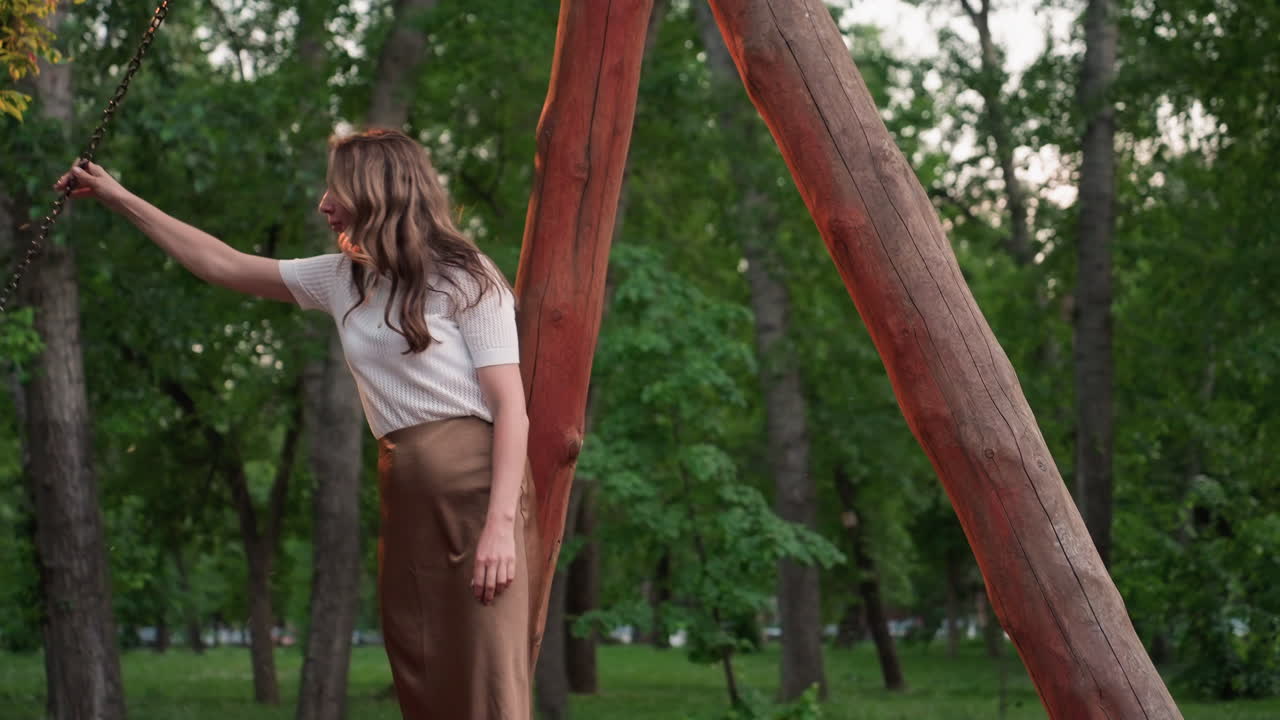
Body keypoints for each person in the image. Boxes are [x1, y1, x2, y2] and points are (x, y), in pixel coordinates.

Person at [56, 128, 540, 719]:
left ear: (374, 190)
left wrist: (498, 527)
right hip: (407, 496)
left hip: (478, 498)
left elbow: (510, 408)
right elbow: (222, 263)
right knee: (424, 672)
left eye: (334, 188)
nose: (323, 203)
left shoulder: (467, 276)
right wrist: (118, 196)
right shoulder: (343, 279)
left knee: (487, 683)